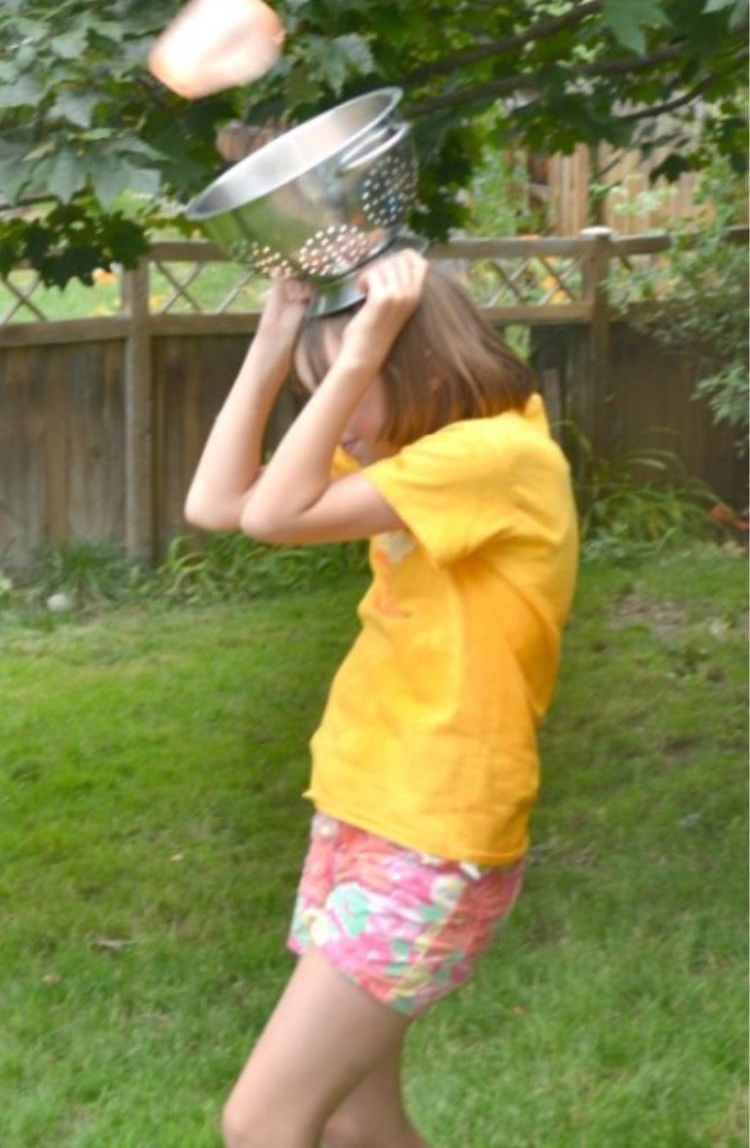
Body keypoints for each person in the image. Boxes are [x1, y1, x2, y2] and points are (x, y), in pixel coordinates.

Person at [185, 248, 578, 1148]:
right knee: (362, 1121)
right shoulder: (436, 451)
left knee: (262, 1121)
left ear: (419, 366)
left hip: (430, 837)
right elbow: (218, 502)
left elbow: (271, 515)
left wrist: (357, 354)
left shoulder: (494, 456)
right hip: (368, 813)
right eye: (314, 390)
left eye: (349, 387)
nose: (336, 422)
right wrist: (280, 331)